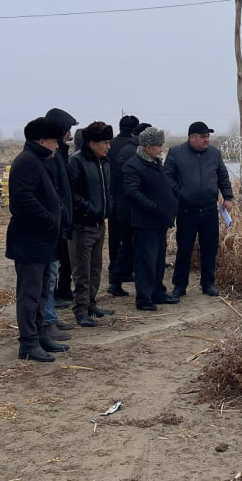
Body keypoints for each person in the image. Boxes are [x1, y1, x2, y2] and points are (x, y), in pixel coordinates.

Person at [5, 117, 69, 362]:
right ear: (42, 141)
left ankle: (40, 334)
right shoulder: (27, 162)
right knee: (30, 294)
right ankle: (29, 343)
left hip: (44, 241)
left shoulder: (39, 161)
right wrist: (50, 219)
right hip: (30, 241)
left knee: (42, 292)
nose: (57, 146)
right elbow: (24, 199)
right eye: (54, 141)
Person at [165, 121, 234, 297]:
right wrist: (180, 193)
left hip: (209, 210)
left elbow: (223, 176)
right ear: (192, 138)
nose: (207, 140)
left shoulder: (214, 153)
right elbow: (167, 177)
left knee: (210, 248)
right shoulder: (176, 153)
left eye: (208, 136)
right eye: (203, 137)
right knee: (184, 249)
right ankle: (180, 286)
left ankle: (208, 284)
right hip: (186, 211)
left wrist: (228, 197)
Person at [123, 126, 179, 311]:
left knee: (158, 259)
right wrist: (154, 207)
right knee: (146, 261)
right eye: (158, 145)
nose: (162, 149)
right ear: (147, 147)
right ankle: (144, 298)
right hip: (146, 222)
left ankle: (157, 292)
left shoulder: (155, 162)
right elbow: (132, 193)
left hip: (160, 221)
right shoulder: (134, 165)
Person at [68, 121, 117, 326]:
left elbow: (108, 191)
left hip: (99, 223)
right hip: (82, 225)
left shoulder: (104, 163)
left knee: (95, 268)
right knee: (82, 270)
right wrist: (89, 208)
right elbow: (71, 194)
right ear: (92, 143)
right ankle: (80, 310)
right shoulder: (76, 162)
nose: (108, 147)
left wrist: (107, 208)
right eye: (105, 143)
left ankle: (91, 303)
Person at [42, 107, 77, 337]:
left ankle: (51, 317)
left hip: (60, 223)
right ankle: (46, 321)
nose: (69, 134)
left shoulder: (60, 154)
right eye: (67, 130)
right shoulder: (48, 157)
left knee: (53, 272)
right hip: (51, 226)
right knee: (48, 276)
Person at [106, 115, 141, 296]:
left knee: (115, 237)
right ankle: (126, 271)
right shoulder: (135, 149)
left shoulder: (110, 145)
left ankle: (114, 268)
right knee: (130, 239)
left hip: (113, 196)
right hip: (130, 200)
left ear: (119, 127)